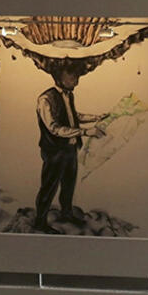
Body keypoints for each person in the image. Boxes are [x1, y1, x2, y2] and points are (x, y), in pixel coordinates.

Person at [33, 66, 108, 233]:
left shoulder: (68, 95)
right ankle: (40, 221)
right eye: (72, 75)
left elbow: (73, 116)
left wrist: (96, 118)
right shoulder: (45, 99)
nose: (76, 80)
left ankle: (66, 213)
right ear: (60, 77)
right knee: (49, 187)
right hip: (54, 152)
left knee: (68, 184)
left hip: (69, 149)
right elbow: (55, 128)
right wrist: (86, 132)